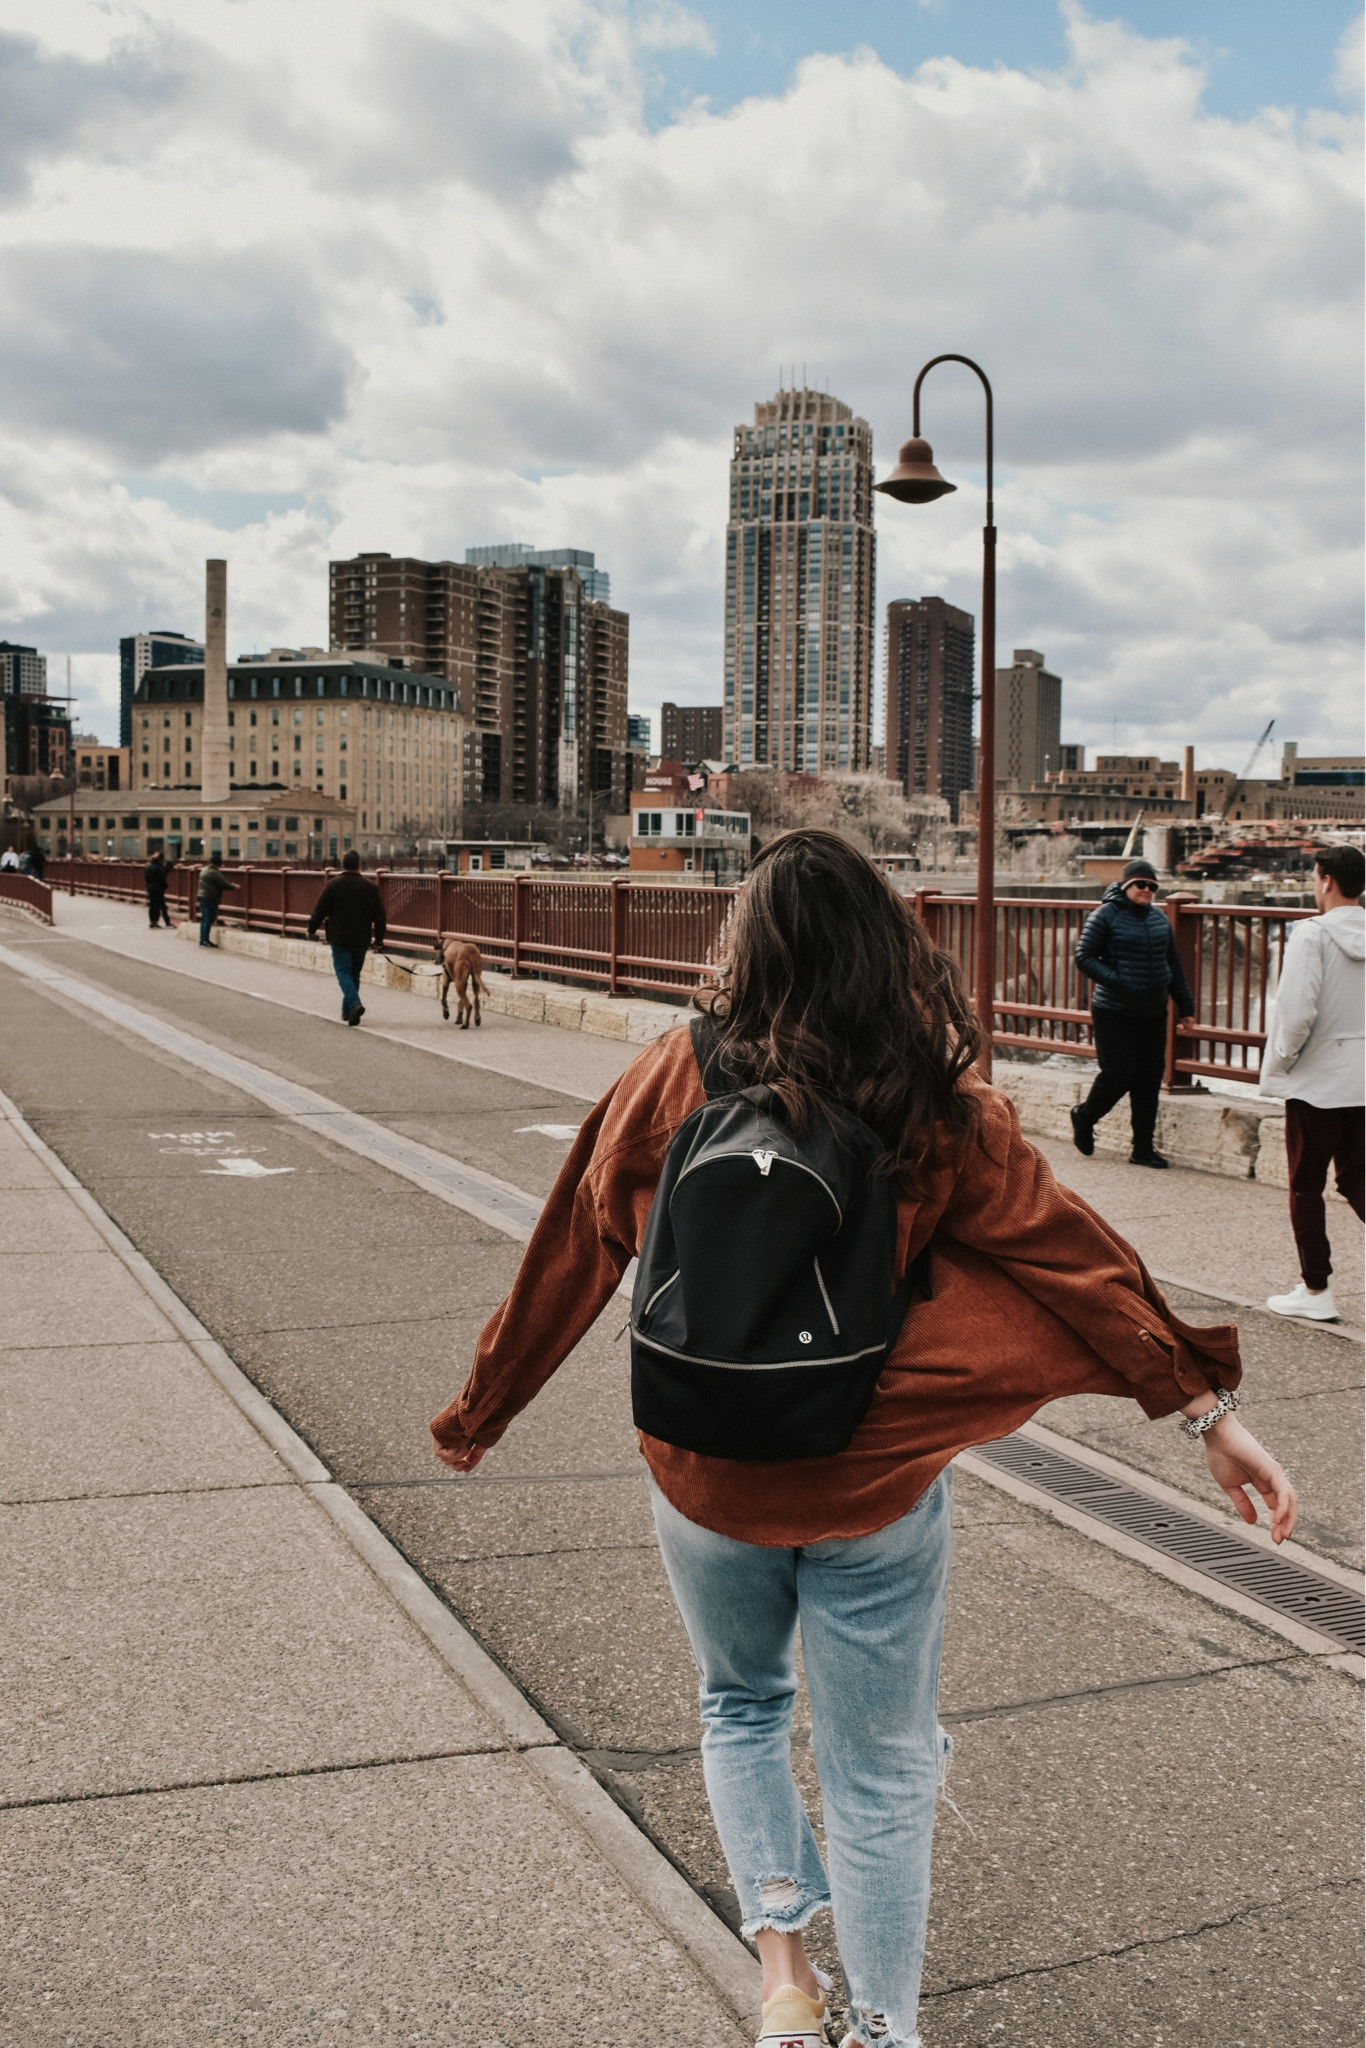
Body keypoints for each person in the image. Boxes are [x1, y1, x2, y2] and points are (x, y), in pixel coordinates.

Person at [430, 829, 1295, 2048]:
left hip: (703, 1468)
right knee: (880, 1767)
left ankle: (785, 1976)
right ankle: (885, 2028)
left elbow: (567, 1252)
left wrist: (482, 1411)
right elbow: (1077, 1259)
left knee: (738, 1704)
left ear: (748, 943)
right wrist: (1207, 1409)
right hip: (872, 1477)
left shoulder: (668, 1076)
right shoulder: (935, 1102)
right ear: (886, 948)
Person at [1260, 843, 1364, 1322]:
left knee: (1307, 1183)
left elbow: (1296, 1012)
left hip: (1319, 1080)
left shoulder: (1312, 935)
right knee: (1358, 1180)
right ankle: (1314, 1287)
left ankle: (1316, 1289)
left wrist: (1283, 1061)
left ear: (1325, 880)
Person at [1070, 856, 1195, 1168]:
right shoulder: (1105, 915)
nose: (1147, 890)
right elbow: (1084, 956)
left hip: (1153, 1011)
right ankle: (1084, 1116)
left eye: (1152, 886)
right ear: (1126, 885)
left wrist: (1186, 1007)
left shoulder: (1158, 920)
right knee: (1117, 1074)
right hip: (1114, 1009)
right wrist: (1120, 982)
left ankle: (1142, 1149)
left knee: (1149, 1079)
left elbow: (1174, 966)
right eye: (1141, 884)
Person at [307, 849, 386, 1026]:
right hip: (361, 938)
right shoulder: (370, 887)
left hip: (339, 938)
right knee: (354, 974)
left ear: (343, 864)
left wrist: (311, 929)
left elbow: (320, 910)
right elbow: (380, 916)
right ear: (359, 864)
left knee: (343, 973)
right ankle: (348, 1012)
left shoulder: (333, 885)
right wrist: (379, 940)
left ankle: (355, 1004)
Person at [196, 852, 236, 947]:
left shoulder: (204, 869)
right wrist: (234, 887)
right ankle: (205, 940)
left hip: (202, 896)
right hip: (210, 897)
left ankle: (203, 939)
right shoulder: (214, 872)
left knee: (204, 919)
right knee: (209, 919)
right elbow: (223, 884)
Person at [145, 851, 174, 929]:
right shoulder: (159, 867)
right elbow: (161, 878)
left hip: (150, 888)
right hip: (158, 889)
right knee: (161, 906)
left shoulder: (149, 867)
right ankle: (166, 922)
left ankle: (153, 922)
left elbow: (146, 879)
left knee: (152, 905)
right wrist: (165, 886)